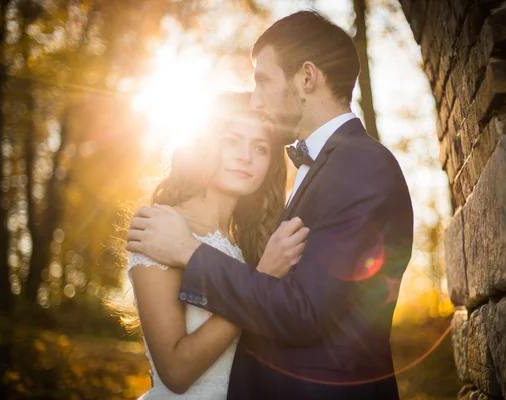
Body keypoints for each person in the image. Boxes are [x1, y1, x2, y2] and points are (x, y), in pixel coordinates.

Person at [127, 10, 413, 400]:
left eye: (262, 80)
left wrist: (188, 252)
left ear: (307, 78)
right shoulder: (325, 167)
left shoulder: (360, 165)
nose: (256, 98)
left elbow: (305, 312)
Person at [126, 92, 306, 398]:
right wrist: (260, 281)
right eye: (232, 141)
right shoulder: (162, 228)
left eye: (260, 148)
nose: (245, 157)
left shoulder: (251, 246)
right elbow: (175, 372)